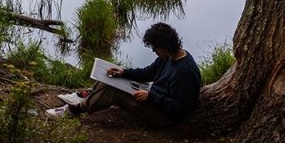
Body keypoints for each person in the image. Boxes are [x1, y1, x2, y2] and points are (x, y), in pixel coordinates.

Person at [46, 22, 202, 127]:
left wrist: (151, 97)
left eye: (155, 47)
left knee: (112, 92)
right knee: (112, 79)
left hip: (164, 117)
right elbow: (148, 72)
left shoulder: (185, 72)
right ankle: (87, 96)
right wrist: (124, 72)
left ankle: (73, 110)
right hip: (154, 100)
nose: (154, 51)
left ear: (165, 45)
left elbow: (180, 110)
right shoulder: (168, 56)